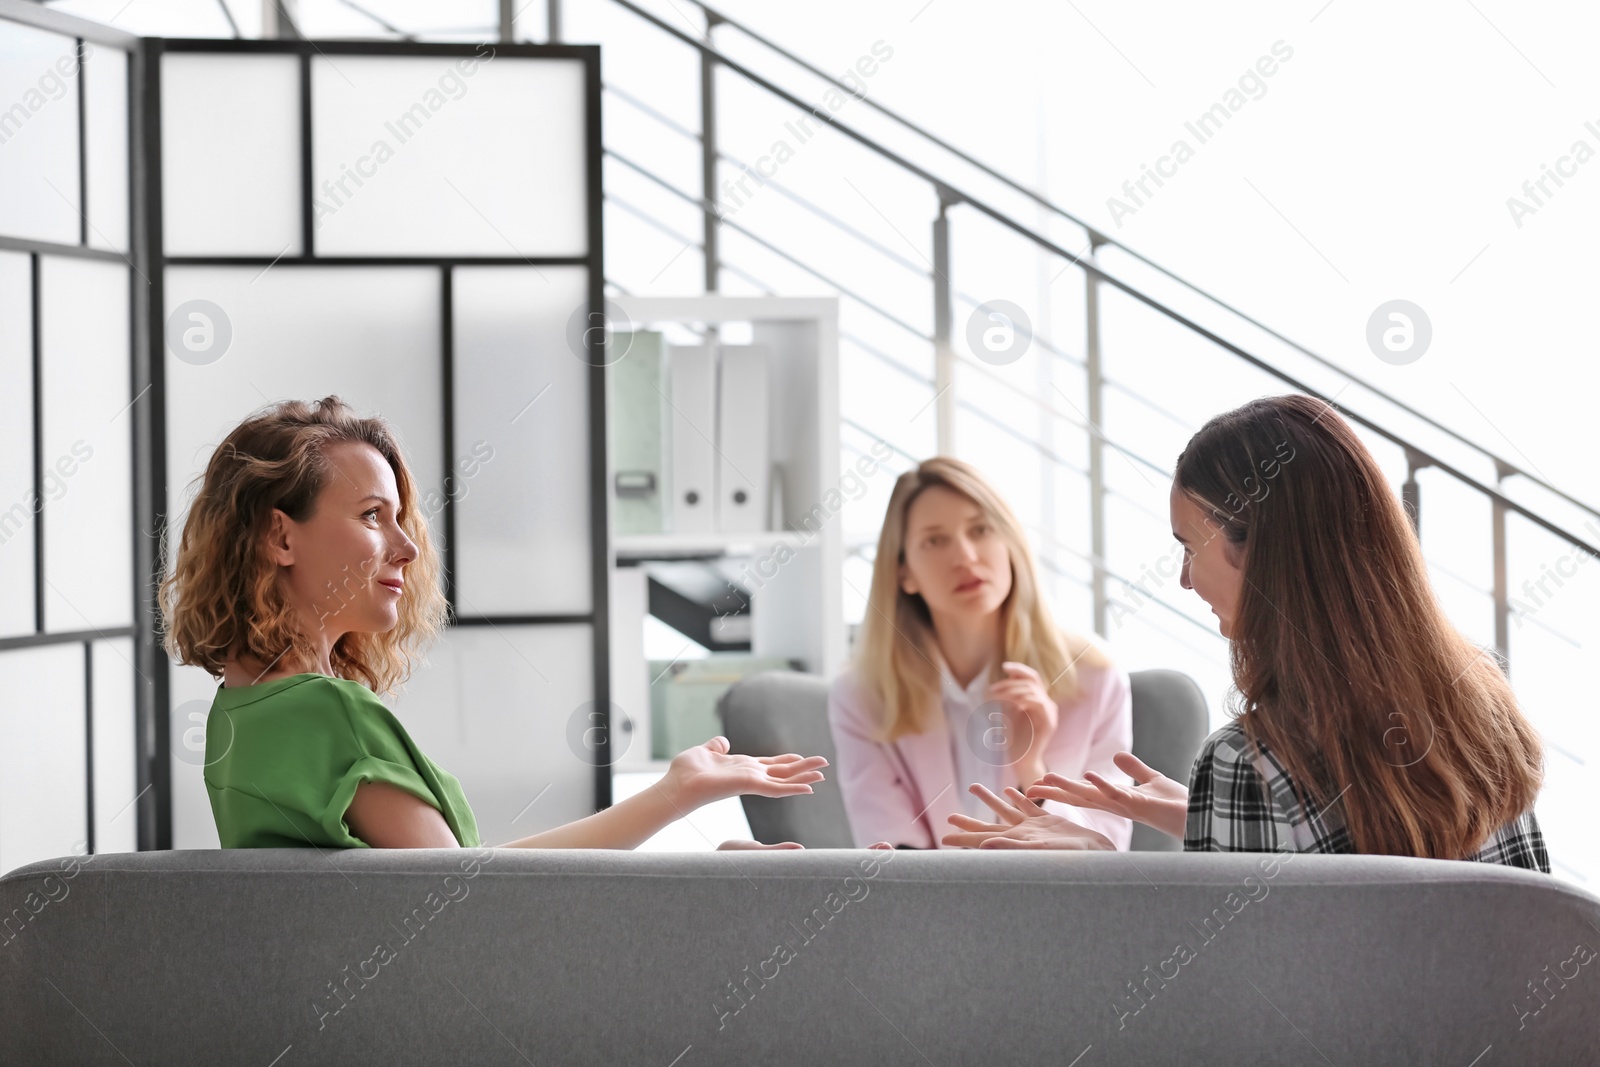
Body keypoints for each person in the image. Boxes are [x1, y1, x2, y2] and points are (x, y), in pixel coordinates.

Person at [160, 396, 826, 852]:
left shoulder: (237, 711)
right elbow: (477, 903)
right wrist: (678, 823)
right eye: (371, 515)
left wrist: (673, 793)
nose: (408, 547)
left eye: (399, 517)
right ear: (280, 536)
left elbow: (460, 884)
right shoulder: (328, 712)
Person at [941, 394, 1549, 872]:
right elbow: (1396, 889)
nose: (1182, 579)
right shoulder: (1481, 708)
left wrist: (1104, 868)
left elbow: (1221, 1007)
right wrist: (1209, 824)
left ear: (1256, 550)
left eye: (1187, 545)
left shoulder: (1246, 762)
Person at [828, 456, 1134, 849]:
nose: (966, 557)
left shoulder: (1094, 677)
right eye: (935, 540)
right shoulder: (862, 696)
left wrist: (1032, 769)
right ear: (904, 573)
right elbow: (890, 861)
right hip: (928, 909)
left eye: (980, 530)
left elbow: (1105, 852)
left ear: (1010, 544)